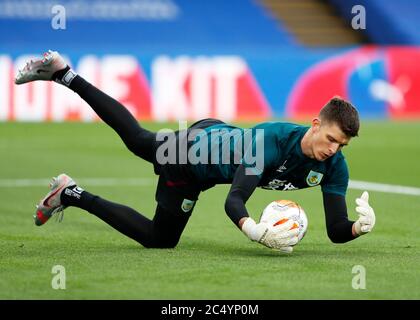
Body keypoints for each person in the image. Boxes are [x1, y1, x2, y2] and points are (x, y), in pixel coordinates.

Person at [15, 50, 376, 253]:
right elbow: (234, 201)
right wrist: (254, 231)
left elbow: (335, 230)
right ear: (315, 124)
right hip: (195, 154)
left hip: (220, 139)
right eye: (330, 139)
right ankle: (64, 75)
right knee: (157, 225)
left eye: (341, 145)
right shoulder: (268, 143)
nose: (334, 149)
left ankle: (69, 191)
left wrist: (358, 227)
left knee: (141, 147)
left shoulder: (334, 167)